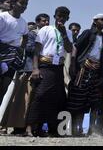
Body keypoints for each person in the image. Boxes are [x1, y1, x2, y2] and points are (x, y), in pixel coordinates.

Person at [26, 7, 73, 137]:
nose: (62, 18)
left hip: (58, 67)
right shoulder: (46, 29)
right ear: (55, 16)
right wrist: (35, 68)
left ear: (68, 18)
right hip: (45, 66)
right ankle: (30, 127)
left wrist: (63, 33)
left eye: (64, 16)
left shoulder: (68, 33)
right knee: (40, 95)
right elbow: (36, 50)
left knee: (56, 97)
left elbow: (69, 49)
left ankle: (48, 128)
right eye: (59, 16)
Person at [0, 13, 50, 135]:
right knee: (22, 100)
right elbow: (28, 48)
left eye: (48, 21)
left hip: (40, 69)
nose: (46, 23)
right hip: (27, 70)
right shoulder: (33, 34)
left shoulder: (47, 34)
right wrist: (42, 50)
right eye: (43, 21)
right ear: (37, 22)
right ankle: (17, 126)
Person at [67, 14, 103, 136]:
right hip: (83, 69)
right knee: (78, 99)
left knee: (94, 101)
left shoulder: (102, 37)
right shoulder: (87, 33)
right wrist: (75, 64)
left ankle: (92, 130)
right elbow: (75, 47)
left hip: (95, 71)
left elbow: (101, 55)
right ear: (95, 21)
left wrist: (101, 71)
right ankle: (75, 128)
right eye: (102, 20)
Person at [0, 0, 30, 109]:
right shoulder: (2, 17)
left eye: (26, 4)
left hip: (13, 57)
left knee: (4, 88)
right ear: (12, 4)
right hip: (1, 52)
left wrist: (20, 49)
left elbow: (26, 36)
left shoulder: (23, 22)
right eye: (21, 3)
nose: (24, 6)